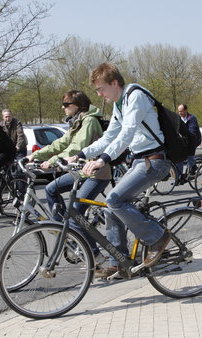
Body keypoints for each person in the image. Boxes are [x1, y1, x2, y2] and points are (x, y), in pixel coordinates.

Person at [69, 62, 172, 277]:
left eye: (100, 89)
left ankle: (158, 237)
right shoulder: (119, 104)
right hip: (139, 161)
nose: (99, 94)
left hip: (155, 161)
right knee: (110, 207)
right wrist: (81, 154)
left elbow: (127, 133)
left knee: (115, 200)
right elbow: (109, 137)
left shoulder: (135, 96)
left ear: (114, 83)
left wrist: (104, 159)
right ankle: (120, 261)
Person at [26, 90, 111, 267]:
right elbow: (61, 143)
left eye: (66, 105)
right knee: (51, 189)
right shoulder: (77, 121)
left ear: (78, 105)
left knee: (75, 212)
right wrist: (36, 155)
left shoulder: (89, 121)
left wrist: (52, 161)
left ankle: (95, 255)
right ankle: (66, 233)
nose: (63, 108)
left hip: (96, 173)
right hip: (80, 172)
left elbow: (76, 147)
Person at [175, 104, 201, 184]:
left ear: (186, 110)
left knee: (189, 154)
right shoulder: (178, 118)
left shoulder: (192, 118)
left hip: (194, 139)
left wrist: (186, 136)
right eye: (179, 111)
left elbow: (192, 130)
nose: (180, 113)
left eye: (182, 111)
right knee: (179, 157)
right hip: (184, 140)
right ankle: (178, 177)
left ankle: (193, 167)